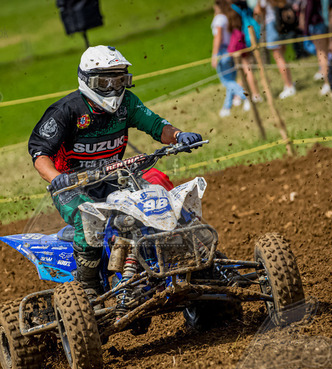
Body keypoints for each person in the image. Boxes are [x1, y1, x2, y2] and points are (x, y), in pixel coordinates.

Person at [28, 45, 203, 296]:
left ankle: (191, 257)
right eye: (105, 82)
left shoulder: (127, 103)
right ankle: (88, 285)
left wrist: (178, 136)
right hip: (72, 185)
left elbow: (156, 125)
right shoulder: (67, 110)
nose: (113, 88)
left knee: (160, 198)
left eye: (119, 80)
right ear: (88, 80)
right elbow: (40, 153)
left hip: (115, 178)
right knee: (88, 218)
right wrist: (57, 178)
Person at [212, 0, 251, 117]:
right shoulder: (227, 17)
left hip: (222, 52)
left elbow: (218, 37)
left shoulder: (219, 19)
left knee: (227, 81)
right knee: (231, 80)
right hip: (230, 50)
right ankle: (227, 107)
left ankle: (246, 97)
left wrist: (214, 55)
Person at [255, 0, 298, 99]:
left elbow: (258, 11)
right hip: (280, 25)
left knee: (278, 57)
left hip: (271, 26)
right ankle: (289, 83)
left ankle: (289, 86)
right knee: (282, 56)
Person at [301, 0, 331, 95]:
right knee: (326, 52)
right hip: (326, 21)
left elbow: (310, 8)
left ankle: (328, 83)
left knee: (321, 53)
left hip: (317, 23)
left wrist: (305, 29)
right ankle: (331, 79)